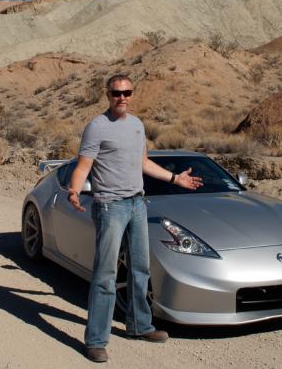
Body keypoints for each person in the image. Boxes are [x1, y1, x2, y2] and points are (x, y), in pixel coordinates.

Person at [68, 74, 202, 363]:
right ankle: (95, 340)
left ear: (132, 94)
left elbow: (143, 163)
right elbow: (83, 165)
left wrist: (175, 178)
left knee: (140, 269)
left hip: (137, 204)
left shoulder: (138, 126)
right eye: (116, 93)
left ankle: (140, 326)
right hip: (109, 206)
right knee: (105, 275)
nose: (122, 98)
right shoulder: (96, 127)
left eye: (127, 92)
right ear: (107, 95)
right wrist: (75, 190)